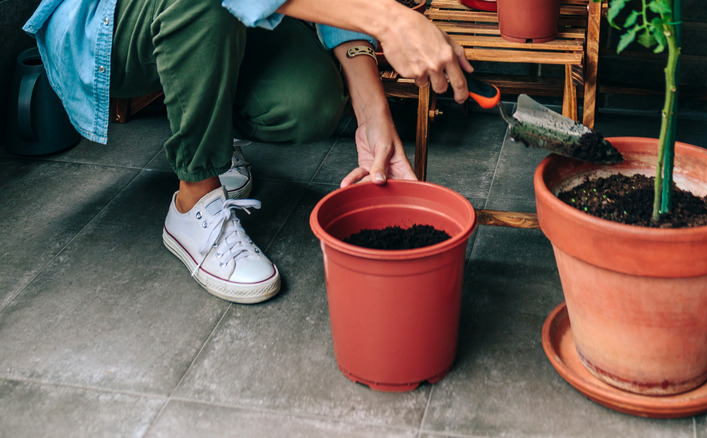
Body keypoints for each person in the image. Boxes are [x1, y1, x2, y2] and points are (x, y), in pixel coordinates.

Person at [23, 0, 473, 304]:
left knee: (307, 100)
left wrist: (374, 118)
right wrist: (388, 18)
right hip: (110, 24)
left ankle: (211, 129)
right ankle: (193, 197)